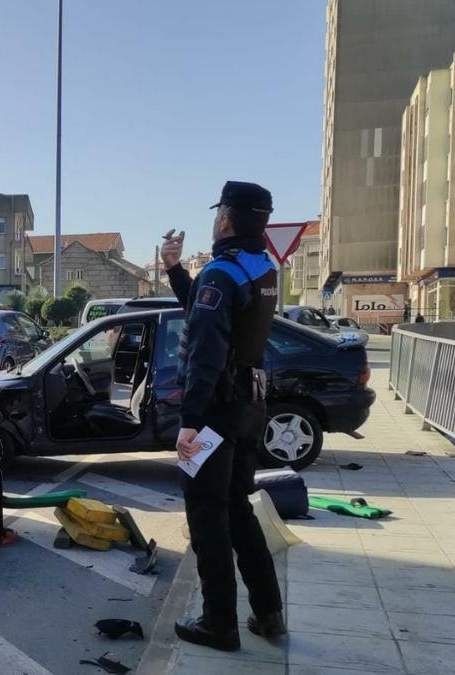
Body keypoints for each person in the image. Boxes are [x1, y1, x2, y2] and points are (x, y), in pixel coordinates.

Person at [160, 181, 285, 652]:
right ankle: (269, 613)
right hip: (250, 405)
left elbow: (207, 350)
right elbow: (210, 314)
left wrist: (190, 420)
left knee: (208, 517)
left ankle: (219, 623)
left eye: (218, 215)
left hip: (215, 412)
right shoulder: (262, 269)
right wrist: (175, 272)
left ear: (226, 219)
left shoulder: (220, 272)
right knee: (237, 508)